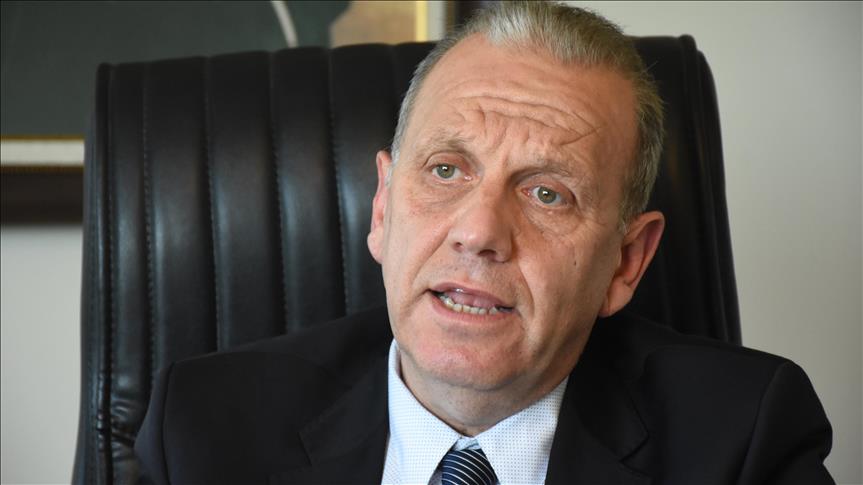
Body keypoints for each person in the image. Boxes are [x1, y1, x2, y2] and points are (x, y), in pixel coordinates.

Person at [135, 2, 833, 484]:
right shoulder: (203, 430)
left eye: (547, 193)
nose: (478, 233)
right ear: (382, 206)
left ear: (626, 262)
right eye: (446, 170)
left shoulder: (744, 442)